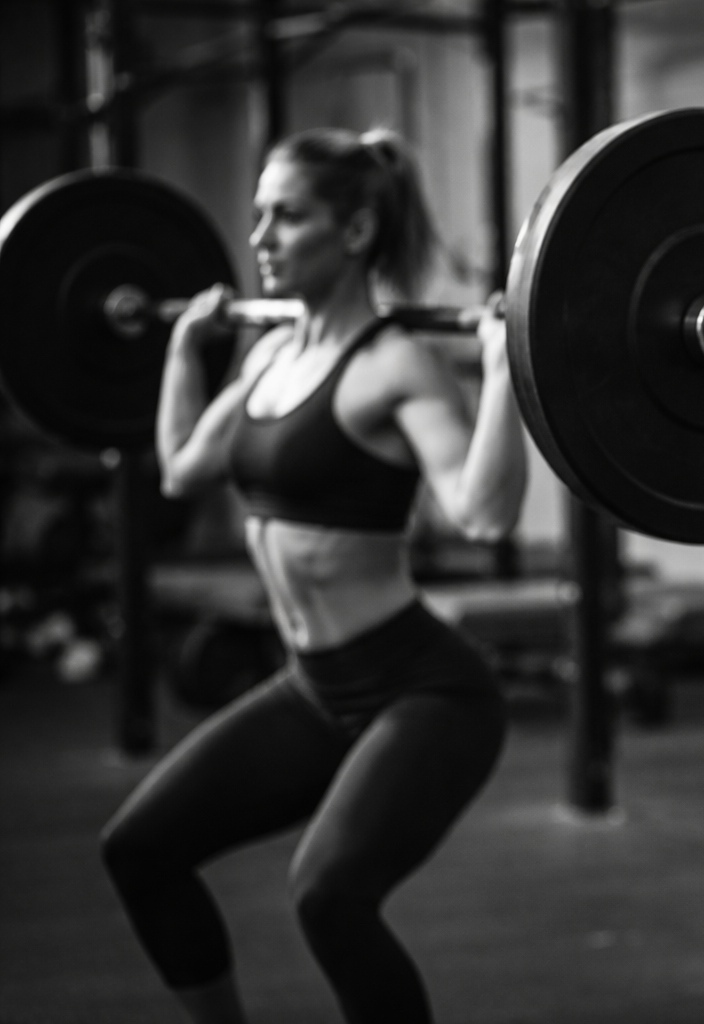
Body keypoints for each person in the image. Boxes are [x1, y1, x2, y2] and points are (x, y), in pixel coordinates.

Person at [100, 127, 526, 1024]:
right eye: (259, 215)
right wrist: (182, 350)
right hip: (314, 687)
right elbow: (181, 468)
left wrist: (502, 370)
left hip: (423, 691)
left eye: (287, 217)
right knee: (139, 849)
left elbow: (483, 513)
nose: (260, 237)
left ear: (357, 230)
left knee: (329, 895)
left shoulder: (392, 365)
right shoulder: (270, 355)